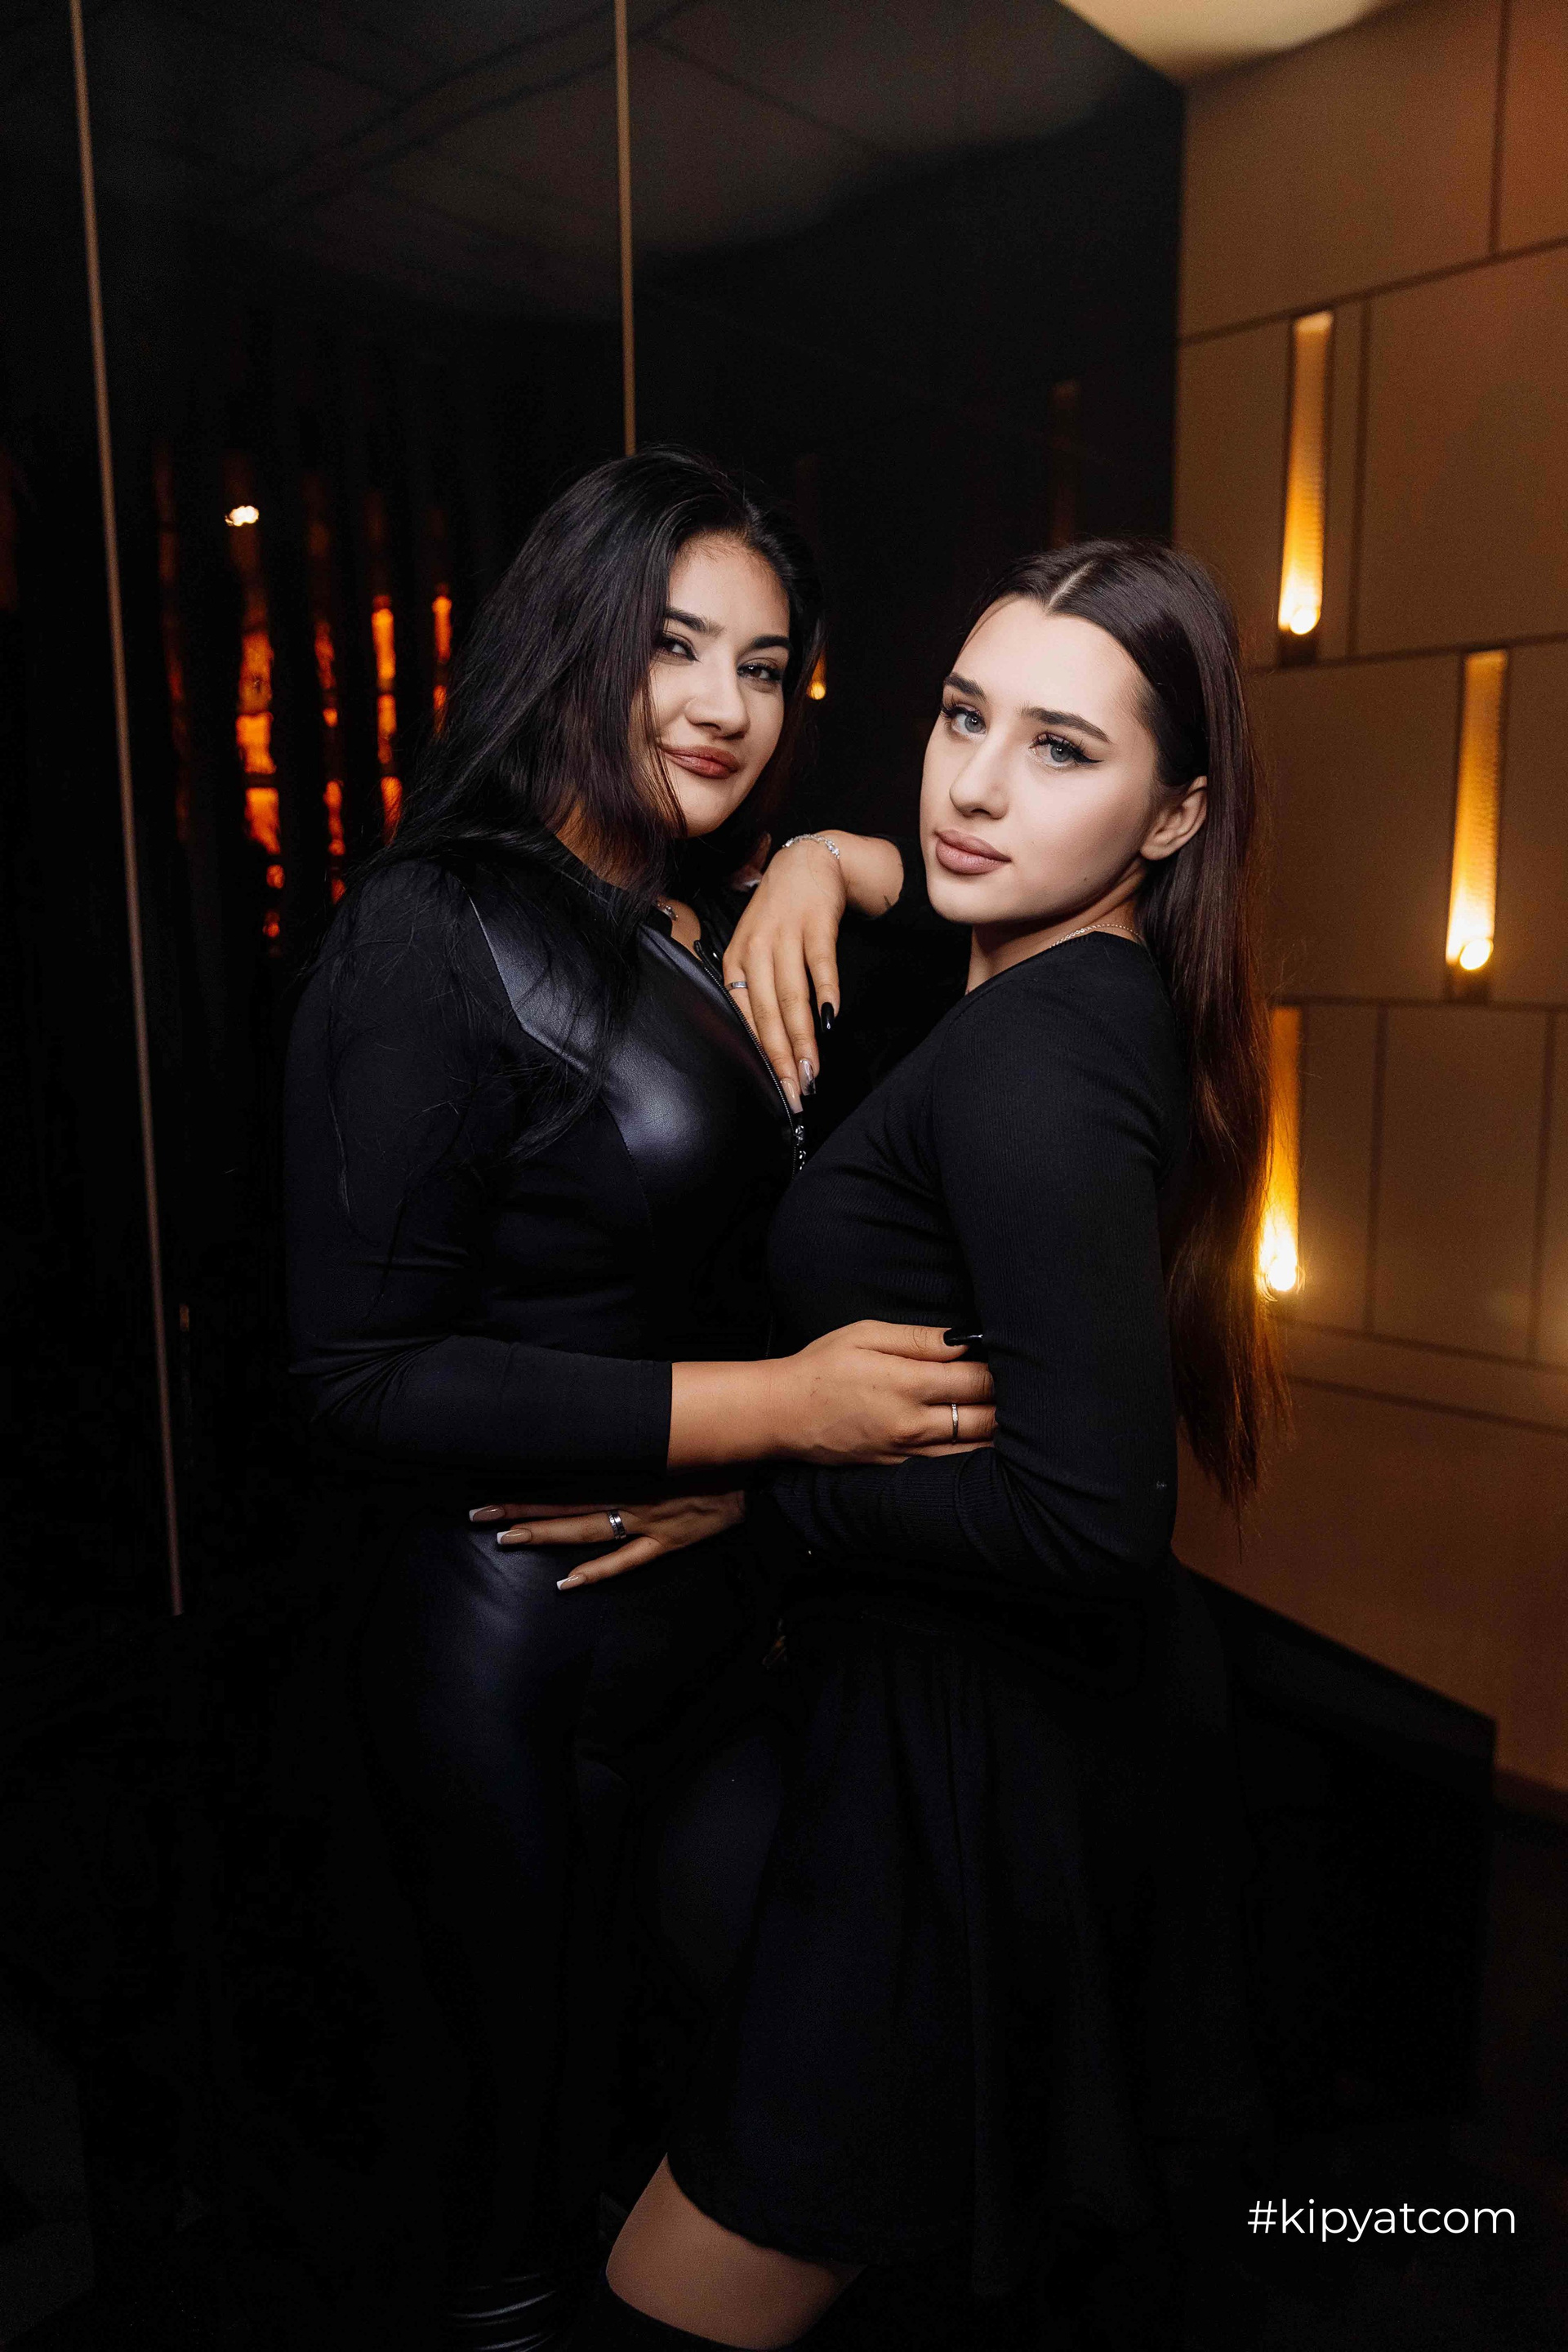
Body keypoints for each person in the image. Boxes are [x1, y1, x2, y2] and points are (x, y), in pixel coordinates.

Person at [532, 539, 1281, 2349]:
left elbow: (1094, 1519)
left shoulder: (1040, 1053)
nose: (974, 786)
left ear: (1175, 816)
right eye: (962, 718)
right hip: (977, 1749)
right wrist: (828, 855)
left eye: (1061, 749)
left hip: (952, 1778)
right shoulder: (1066, 993)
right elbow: (927, 868)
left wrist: (768, 1483)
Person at [282, 449, 993, 2352]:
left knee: (769, 2124)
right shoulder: (437, 922)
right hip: (507, 1671)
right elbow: (358, 1374)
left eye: (763, 667)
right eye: (674, 646)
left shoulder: (691, 924)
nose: (720, 706)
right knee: (508, 2222)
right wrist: (782, 1415)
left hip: (701, 1644)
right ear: (571, 636)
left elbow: (992, 910)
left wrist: (830, 858)